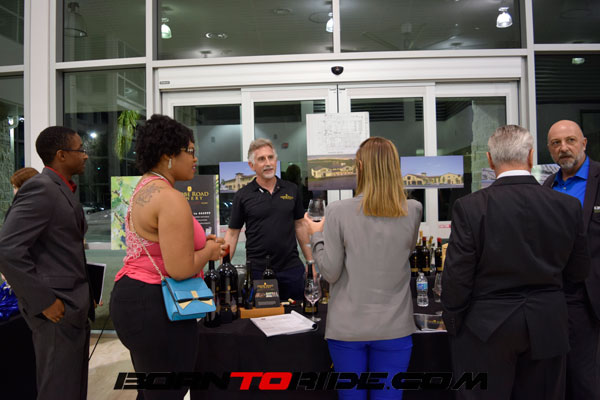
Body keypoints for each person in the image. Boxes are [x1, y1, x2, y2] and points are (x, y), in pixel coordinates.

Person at [442, 125, 590, 400]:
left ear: (490, 160)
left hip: (486, 328)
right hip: (547, 324)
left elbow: (457, 276)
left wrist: (453, 321)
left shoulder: (471, 207)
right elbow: (579, 270)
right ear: (531, 156)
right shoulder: (568, 206)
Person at [109, 115, 225, 400]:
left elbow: (163, 246)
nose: (195, 159)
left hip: (134, 298)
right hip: (156, 306)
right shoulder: (170, 198)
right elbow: (180, 268)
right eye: (190, 151)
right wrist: (209, 252)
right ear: (167, 155)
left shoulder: (144, 187)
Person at [305, 137, 422, 400]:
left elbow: (330, 272)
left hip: (348, 329)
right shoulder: (413, 209)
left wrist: (316, 235)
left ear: (360, 166)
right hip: (395, 327)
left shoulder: (338, 211)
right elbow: (405, 253)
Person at [0, 126, 93, 400]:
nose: (85, 155)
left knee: (71, 388)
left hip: (72, 308)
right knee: (58, 391)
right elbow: (7, 249)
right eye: (80, 149)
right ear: (61, 155)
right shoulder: (41, 188)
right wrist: (43, 301)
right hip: (56, 311)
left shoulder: (61, 189)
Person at [543, 119, 600, 400]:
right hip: (554, 296)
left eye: (570, 140)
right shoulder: (547, 185)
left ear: (584, 143)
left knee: (586, 381)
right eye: (556, 143)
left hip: (590, 298)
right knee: (556, 379)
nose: (563, 148)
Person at [224, 138, 312, 301]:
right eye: (261, 159)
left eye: (271, 157)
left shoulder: (291, 190)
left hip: (291, 269)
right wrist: (224, 267)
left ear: (276, 160)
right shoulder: (243, 195)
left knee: (297, 312)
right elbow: (232, 234)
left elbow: (300, 226)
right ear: (251, 165)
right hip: (258, 271)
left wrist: (310, 261)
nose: (268, 163)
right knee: (262, 315)